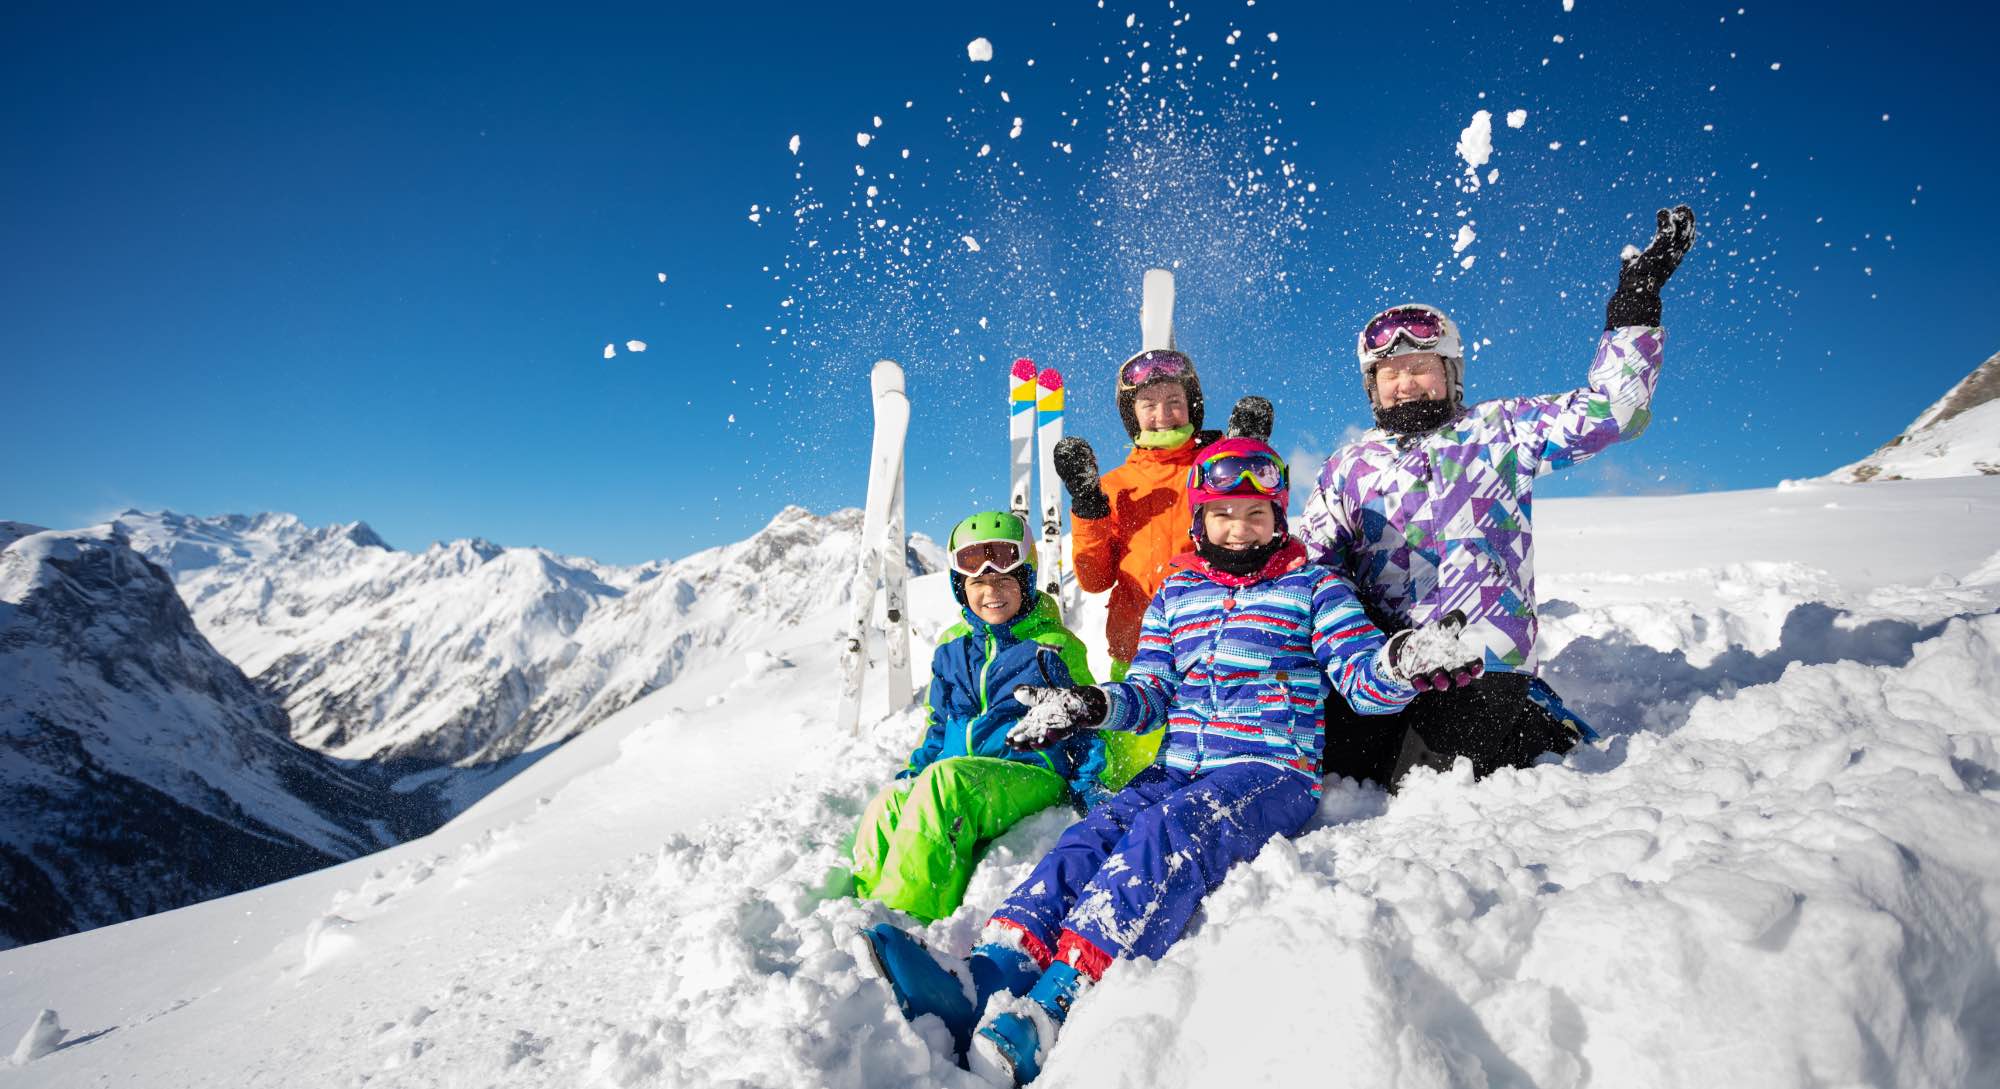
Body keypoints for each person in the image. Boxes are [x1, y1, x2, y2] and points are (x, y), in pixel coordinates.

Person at [852, 440, 1483, 1081]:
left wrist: (1401, 663)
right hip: (1179, 765)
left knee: (1165, 833)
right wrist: (1090, 706)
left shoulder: (1315, 587)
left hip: (1269, 768)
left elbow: (1361, 678)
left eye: (1255, 514)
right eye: (1223, 514)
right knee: (1091, 835)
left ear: (1278, 517)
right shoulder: (1179, 591)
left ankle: (1060, 999)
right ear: (1200, 519)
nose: (1239, 528)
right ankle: (989, 974)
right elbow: (1149, 692)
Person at [1302, 205, 1696, 789]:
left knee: (1429, 787)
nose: (1405, 381)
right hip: (1383, 667)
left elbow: (1616, 411)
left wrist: (1634, 306)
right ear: (1372, 387)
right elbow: (1309, 563)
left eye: (1421, 366)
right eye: (1390, 372)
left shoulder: (1501, 429)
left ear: (1451, 372)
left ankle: (1534, 722)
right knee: (1327, 774)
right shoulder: (1349, 466)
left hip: (1479, 664)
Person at [848, 511, 1106, 924]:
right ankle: (866, 909)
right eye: (978, 582)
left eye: (1005, 580)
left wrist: (1091, 786)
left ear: (1024, 581)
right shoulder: (951, 648)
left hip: (1030, 774)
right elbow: (939, 724)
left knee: (945, 783)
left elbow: (1086, 721)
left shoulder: (1052, 647)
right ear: (960, 587)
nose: (992, 592)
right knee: (889, 804)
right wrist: (912, 774)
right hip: (968, 778)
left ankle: (905, 917)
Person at [1049, 349, 1274, 788]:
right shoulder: (1115, 486)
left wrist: (1247, 455)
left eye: (1173, 400)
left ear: (1192, 405)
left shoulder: (1216, 470)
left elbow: (1257, 540)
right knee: (1135, 786)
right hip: (1136, 662)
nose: (1163, 414)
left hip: (1219, 655)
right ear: (1132, 416)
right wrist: (1089, 506)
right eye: (1148, 405)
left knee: (1218, 781)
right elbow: (1095, 580)